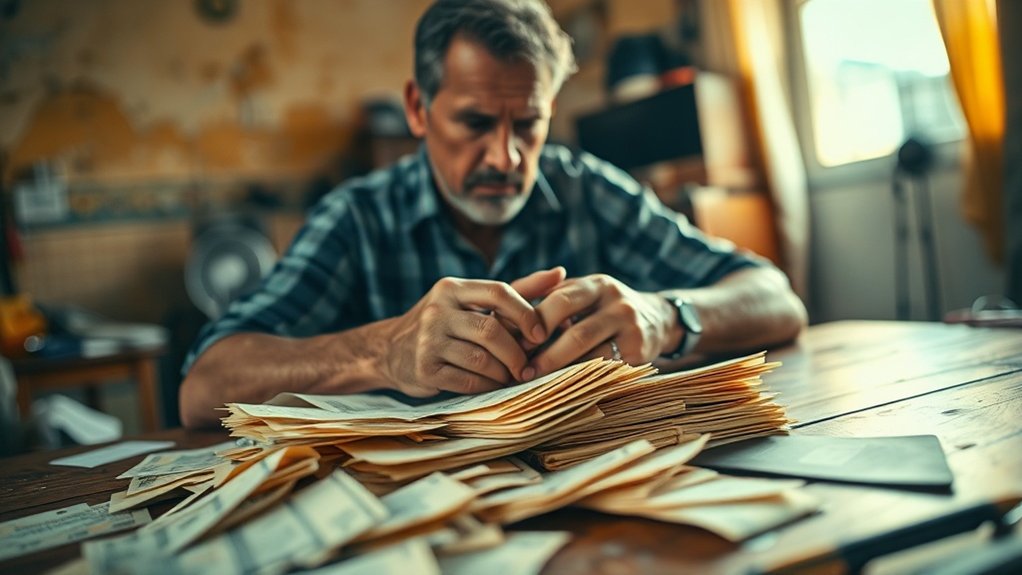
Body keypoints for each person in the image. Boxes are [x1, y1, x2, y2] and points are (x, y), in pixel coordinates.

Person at [179, 0, 807, 428]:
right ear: (419, 110)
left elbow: (777, 297)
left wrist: (667, 315)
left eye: (528, 125)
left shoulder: (586, 189)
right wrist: (382, 351)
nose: (505, 157)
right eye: (475, 123)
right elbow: (203, 386)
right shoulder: (358, 218)